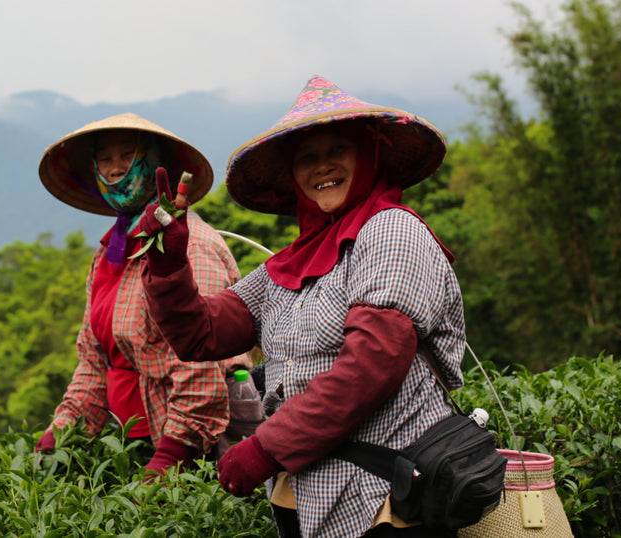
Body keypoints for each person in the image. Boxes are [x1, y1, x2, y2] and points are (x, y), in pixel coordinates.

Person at [139, 76, 464, 537]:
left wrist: (266, 447)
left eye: (339, 149)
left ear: (369, 155)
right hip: (307, 499)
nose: (322, 166)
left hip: (387, 498)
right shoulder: (292, 262)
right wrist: (169, 264)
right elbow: (202, 333)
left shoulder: (392, 232)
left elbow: (371, 363)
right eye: (307, 157)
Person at [34, 113, 252, 477]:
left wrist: (171, 455)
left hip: (195, 447)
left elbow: (201, 367)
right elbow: (94, 359)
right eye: (105, 158)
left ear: (156, 163)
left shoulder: (191, 245)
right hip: (131, 442)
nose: (115, 168)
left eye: (128, 154)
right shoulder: (110, 252)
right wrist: (63, 431)